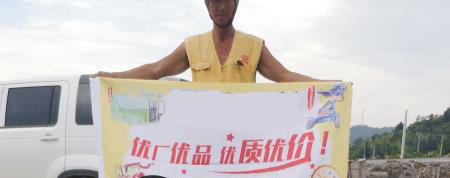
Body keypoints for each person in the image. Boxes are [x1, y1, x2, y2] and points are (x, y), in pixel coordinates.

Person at [94, 0, 318, 84]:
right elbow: (155, 70)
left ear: (236, 3)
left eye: (226, 0)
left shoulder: (254, 46)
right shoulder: (192, 46)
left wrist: (328, 84)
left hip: (243, 137)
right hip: (204, 138)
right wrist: (114, 76)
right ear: (207, 6)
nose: (221, 7)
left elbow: (284, 76)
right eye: (215, 1)